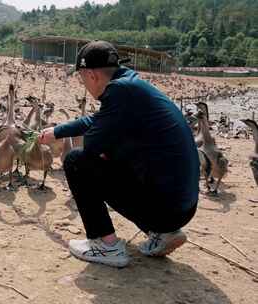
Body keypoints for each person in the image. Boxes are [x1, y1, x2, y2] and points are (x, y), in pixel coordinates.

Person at [39, 41, 199, 268]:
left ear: (91, 75)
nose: (83, 84)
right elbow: (98, 120)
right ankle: (163, 233)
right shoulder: (131, 86)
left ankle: (105, 245)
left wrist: (105, 153)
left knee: (77, 161)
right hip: (183, 207)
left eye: (82, 79)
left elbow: (93, 146)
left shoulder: (119, 92)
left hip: (166, 209)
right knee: (111, 159)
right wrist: (57, 131)